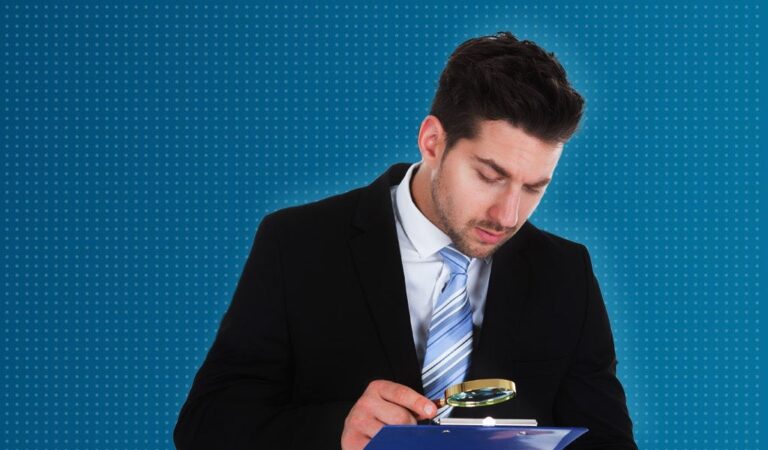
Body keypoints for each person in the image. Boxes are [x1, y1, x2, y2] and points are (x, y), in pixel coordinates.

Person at [173, 31, 637, 450]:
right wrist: (336, 431)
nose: (508, 215)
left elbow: (608, 442)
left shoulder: (565, 272)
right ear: (433, 141)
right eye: (489, 175)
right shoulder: (297, 243)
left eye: (534, 187)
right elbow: (205, 426)